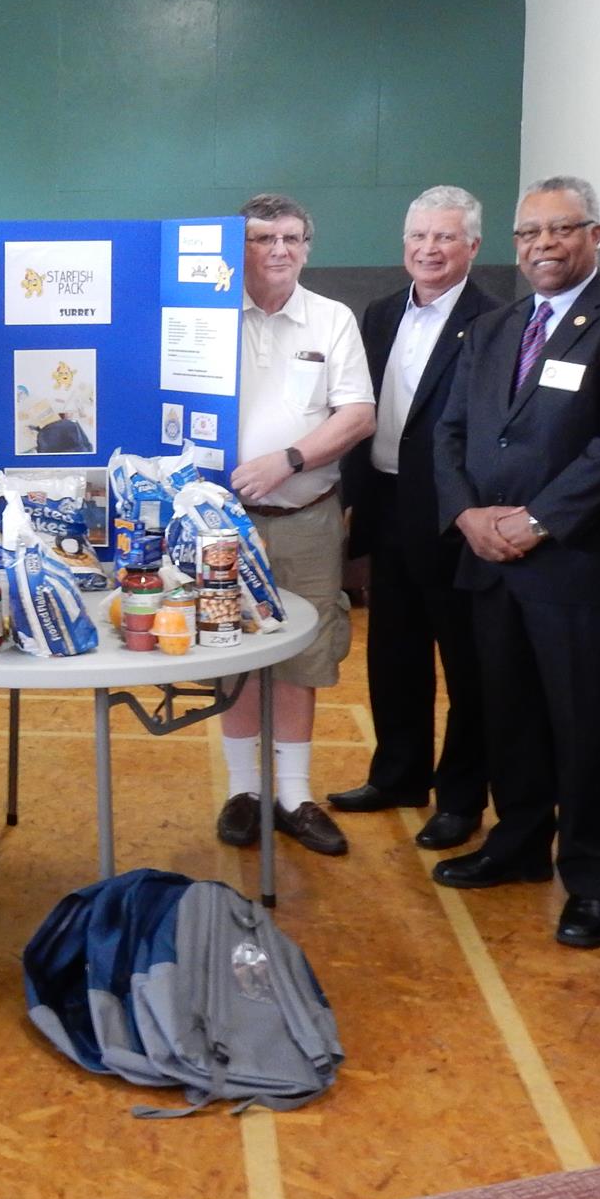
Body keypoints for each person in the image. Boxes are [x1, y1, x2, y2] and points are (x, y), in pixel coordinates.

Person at [433, 175, 600, 952]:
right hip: (492, 562)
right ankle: (519, 840)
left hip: (581, 569)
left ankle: (594, 877)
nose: (544, 245)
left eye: (561, 228)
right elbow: (451, 432)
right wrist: (466, 514)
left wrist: (536, 520)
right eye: (529, 232)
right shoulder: (494, 327)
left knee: (591, 728)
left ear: (595, 234)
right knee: (509, 716)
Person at [332, 187, 498, 850]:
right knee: (393, 654)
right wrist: (351, 500)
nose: (429, 249)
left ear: (473, 246)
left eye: (445, 237)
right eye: (419, 236)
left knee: (467, 666)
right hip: (387, 506)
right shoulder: (379, 314)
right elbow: (358, 410)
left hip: (456, 517)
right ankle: (398, 776)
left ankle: (461, 798)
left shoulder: (496, 319)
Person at [220, 193, 375, 858]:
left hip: (308, 517)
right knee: (230, 650)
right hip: (223, 523)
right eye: (262, 238)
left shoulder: (332, 319)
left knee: (302, 655)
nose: (278, 249)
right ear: (239, 248)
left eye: (291, 237)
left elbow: (358, 415)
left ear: (308, 247)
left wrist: (287, 460)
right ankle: (243, 792)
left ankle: (293, 794)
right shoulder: (205, 318)